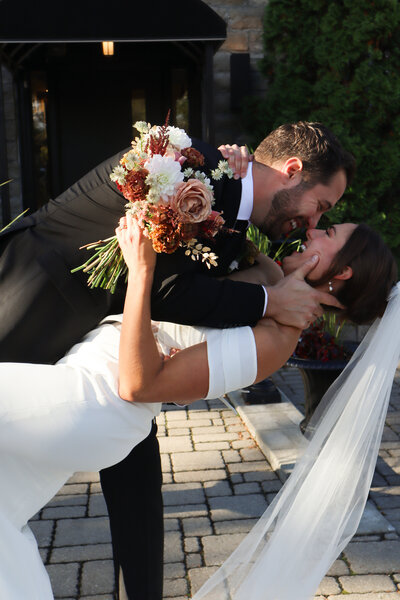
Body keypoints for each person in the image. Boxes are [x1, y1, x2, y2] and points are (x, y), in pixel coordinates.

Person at [0, 121, 354, 599]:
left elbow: (204, 283)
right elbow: (173, 291)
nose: (312, 226)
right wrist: (270, 302)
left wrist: (276, 296)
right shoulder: (192, 167)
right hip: (33, 303)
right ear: (292, 171)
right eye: (322, 209)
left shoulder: (233, 204)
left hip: (112, 360)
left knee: (134, 470)